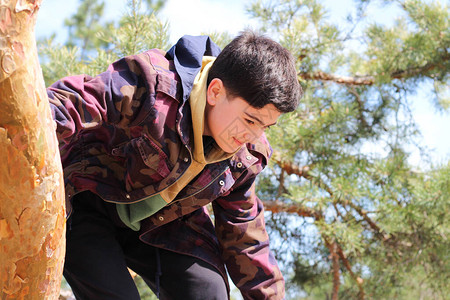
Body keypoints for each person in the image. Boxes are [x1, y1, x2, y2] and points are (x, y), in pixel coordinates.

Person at [47, 30, 302, 299]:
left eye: (265, 126)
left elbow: (245, 235)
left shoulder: (246, 157)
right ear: (215, 91)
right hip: (84, 203)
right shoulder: (152, 84)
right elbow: (73, 100)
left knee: (209, 294)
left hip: (163, 226)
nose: (252, 135)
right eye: (250, 120)